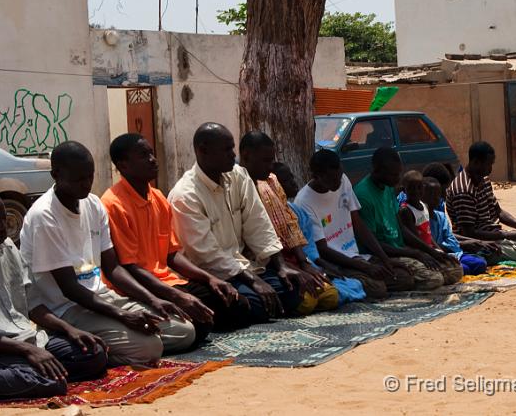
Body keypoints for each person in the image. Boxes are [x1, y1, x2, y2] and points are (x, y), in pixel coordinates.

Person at [19, 141, 197, 367]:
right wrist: (123, 316)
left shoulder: (93, 204)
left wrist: (154, 300)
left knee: (185, 330)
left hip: (101, 297)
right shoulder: (45, 217)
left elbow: (113, 268)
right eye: (78, 179)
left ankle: (116, 343)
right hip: (67, 308)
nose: (86, 184)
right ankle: (90, 350)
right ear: (56, 174)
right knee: (150, 346)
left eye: (89, 176)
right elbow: (70, 288)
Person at [0, 185, 107, 402]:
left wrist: (70, 329)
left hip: (23, 341)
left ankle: (24, 375)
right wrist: (27, 351)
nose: (2, 227)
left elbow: (32, 304)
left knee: (95, 353)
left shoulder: (6, 247)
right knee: (51, 382)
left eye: (3, 218)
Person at [102, 133, 248, 337]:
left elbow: (172, 254)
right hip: (140, 287)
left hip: (168, 280)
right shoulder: (112, 204)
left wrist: (210, 279)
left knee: (239, 305)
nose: (153, 160)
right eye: (144, 155)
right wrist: (178, 296)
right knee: (198, 324)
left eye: (151, 153)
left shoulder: (158, 198)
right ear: (123, 165)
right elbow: (129, 267)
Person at [168, 123, 307, 325]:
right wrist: (252, 280)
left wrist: (281, 266)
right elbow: (206, 255)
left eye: (232, 148)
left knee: (291, 289)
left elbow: (259, 224)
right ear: (203, 151)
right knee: (247, 305)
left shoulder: (239, 176)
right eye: (226, 150)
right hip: (213, 274)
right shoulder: (185, 195)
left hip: (245, 267)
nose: (233, 154)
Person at [238, 132, 343, 311]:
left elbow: (290, 224)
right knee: (305, 301)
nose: (270, 166)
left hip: (288, 259)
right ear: (247, 156)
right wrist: (285, 266)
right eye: (266, 161)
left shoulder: (271, 180)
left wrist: (303, 263)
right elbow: (256, 241)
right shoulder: (238, 185)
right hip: (263, 263)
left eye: (272, 160)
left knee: (330, 296)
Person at [290, 150, 415, 299]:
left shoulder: (343, 180)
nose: (338, 182)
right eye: (333, 179)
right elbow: (322, 249)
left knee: (405, 277)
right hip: (338, 263)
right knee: (378, 288)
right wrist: (365, 267)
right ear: (317, 176)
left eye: (339, 176)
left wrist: (384, 259)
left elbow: (359, 225)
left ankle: (364, 281)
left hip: (357, 256)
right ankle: (350, 282)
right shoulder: (304, 202)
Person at [353, 148, 463, 290]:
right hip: (383, 254)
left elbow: (401, 228)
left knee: (455, 269)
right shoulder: (363, 196)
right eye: (393, 174)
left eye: (399, 173)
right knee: (433, 279)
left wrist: (430, 251)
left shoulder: (388, 188)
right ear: (378, 170)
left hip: (401, 249)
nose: (398, 179)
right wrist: (414, 253)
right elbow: (373, 244)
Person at [446, 141, 516, 264]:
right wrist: (508, 235)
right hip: (479, 243)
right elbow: (469, 232)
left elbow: (498, 211)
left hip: (495, 235)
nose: (490, 169)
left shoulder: (484, 181)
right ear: (476, 162)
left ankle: (507, 250)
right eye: (488, 164)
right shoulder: (463, 190)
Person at [422, 163, 503, 262]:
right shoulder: (418, 211)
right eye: (442, 191)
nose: (444, 195)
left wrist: (477, 242)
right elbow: (431, 240)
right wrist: (470, 243)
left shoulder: (438, 207)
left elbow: (447, 234)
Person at [421, 178, 487, 276]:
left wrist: (448, 247)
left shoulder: (441, 216)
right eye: (431, 195)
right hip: (434, 256)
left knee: (480, 263)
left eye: (437, 195)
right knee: (464, 269)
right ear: (422, 196)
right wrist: (441, 248)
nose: (435, 198)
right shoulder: (421, 219)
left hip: (451, 254)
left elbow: (450, 239)